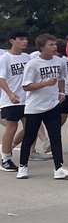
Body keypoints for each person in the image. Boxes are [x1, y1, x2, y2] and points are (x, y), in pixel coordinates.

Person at [15, 35, 68, 180]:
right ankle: (22, 167)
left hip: (52, 105)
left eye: (55, 44)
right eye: (51, 45)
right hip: (34, 107)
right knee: (29, 138)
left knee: (55, 137)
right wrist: (45, 84)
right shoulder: (33, 64)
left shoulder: (59, 61)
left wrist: (62, 91)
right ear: (41, 47)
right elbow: (26, 86)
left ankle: (59, 168)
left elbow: (61, 78)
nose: (55, 47)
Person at [0, 30, 30, 172]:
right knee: (11, 127)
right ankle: (5, 158)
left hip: (28, 99)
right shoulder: (5, 58)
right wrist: (10, 93)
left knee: (30, 128)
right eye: (21, 39)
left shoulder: (28, 58)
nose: (24, 41)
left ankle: (10, 146)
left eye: (26, 39)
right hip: (11, 100)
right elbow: (1, 78)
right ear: (12, 41)